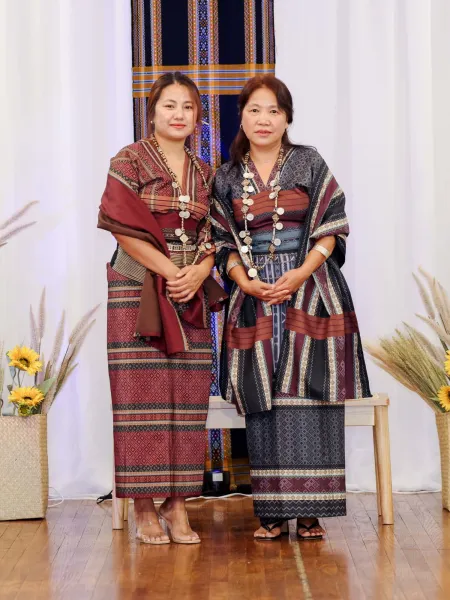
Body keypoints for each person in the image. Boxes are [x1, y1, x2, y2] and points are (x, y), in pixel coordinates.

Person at [211, 74, 371, 541]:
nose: (264, 119)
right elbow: (221, 241)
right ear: (241, 117)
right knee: (263, 397)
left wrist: (300, 272)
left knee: (311, 391)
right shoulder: (226, 176)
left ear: (287, 119)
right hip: (254, 295)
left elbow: (333, 224)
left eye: (274, 111)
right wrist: (245, 281)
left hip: (312, 289)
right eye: (255, 110)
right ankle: (273, 511)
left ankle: (310, 512)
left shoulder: (308, 161)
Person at [98, 72, 226, 545]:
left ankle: (177, 504)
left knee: (187, 396)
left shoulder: (206, 171)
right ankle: (143, 506)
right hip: (137, 285)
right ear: (152, 112)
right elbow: (120, 226)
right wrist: (171, 270)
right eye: (169, 105)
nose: (178, 114)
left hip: (188, 289)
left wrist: (198, 270)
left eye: (188, 107)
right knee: (139, 395)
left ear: (198, 116)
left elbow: (217, 234)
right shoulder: (128, 160)